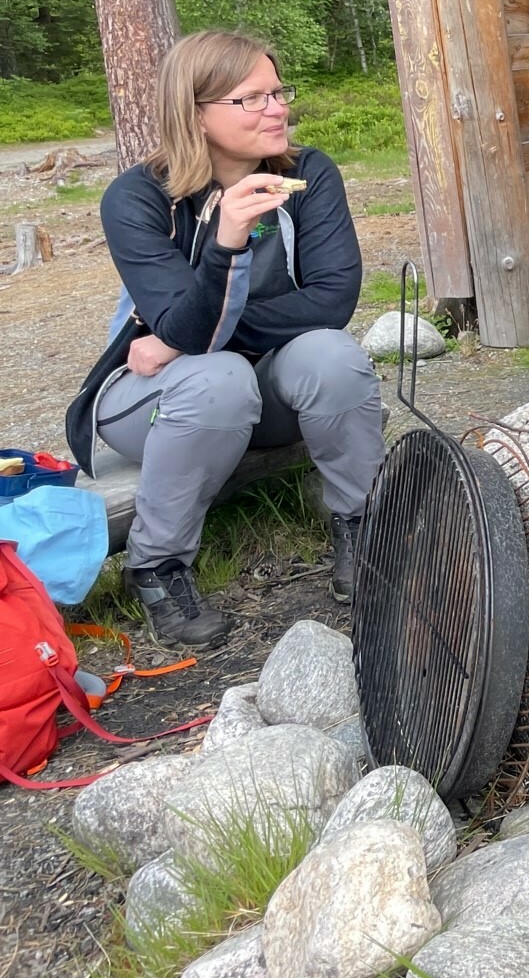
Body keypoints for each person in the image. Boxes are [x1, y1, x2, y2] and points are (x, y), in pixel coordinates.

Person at [66, 32, 384, 648]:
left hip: (263, 389)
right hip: (152, 399)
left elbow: (331, 303)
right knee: (217, 377)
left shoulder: (308, 175)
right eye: (251, 99)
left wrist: (177, 339)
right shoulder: (137, 198)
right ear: (196, 114)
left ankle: (362, 526)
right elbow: (188, 330)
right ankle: (157, 568)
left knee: (333, 355)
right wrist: (226, 243)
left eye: (277, 92)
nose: (277, 109)